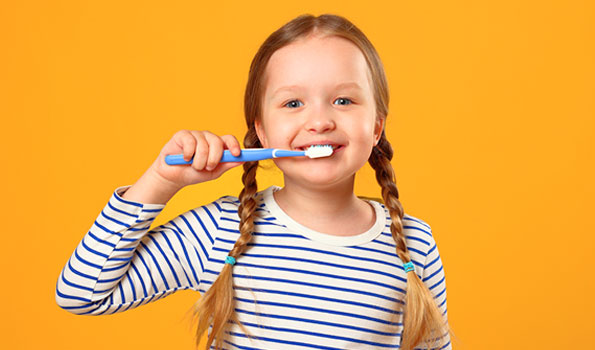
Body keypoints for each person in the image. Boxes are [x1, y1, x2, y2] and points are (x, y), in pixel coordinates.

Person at [55, 13, 453, 350]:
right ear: (261, 132)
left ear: (377, 125)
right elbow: (81, 293)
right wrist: (160, 181)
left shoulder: (414, 245)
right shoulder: (220, 231)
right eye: (293, 103)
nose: (320, 121)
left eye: (344, 100)